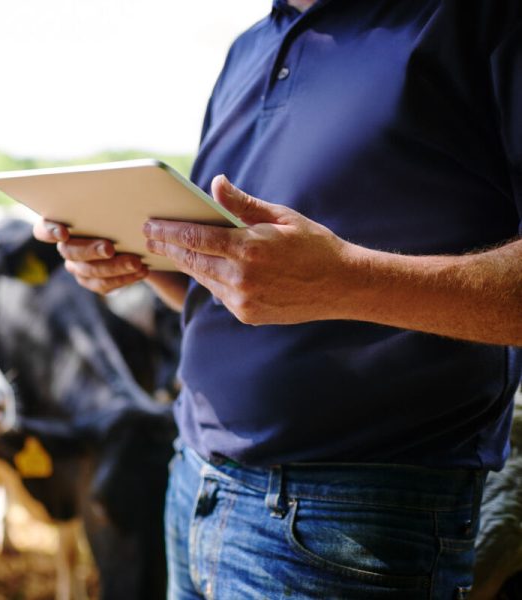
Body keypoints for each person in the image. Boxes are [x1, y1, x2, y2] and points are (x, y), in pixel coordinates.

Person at [34, 1, 522, 598]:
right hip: (192, 479)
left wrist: (348, 278)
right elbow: (247, 288)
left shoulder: (478, 18)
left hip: (351, 517)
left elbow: (313, 282)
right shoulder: (248, 47)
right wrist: (139, 264)